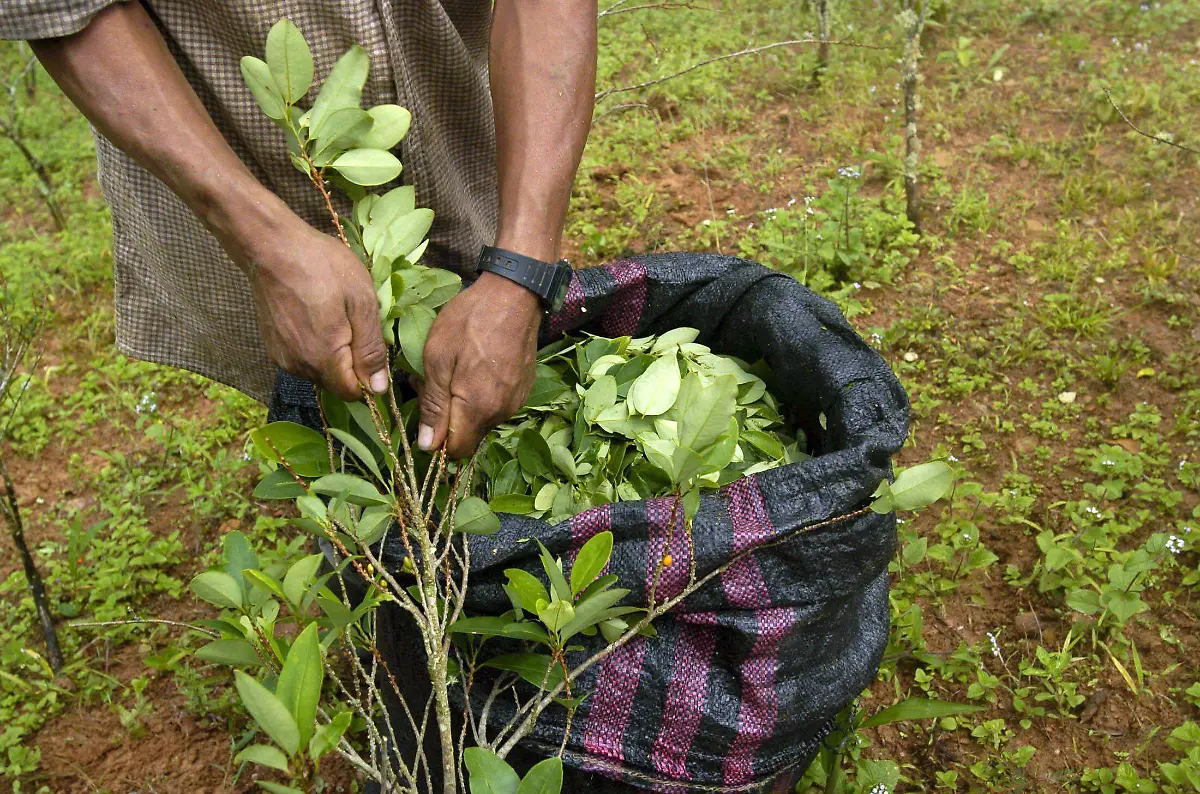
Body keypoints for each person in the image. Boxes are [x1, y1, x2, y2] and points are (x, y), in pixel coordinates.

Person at [3, 0, 595, 460]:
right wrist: (262, 243)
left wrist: (522, 266)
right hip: (232, 167)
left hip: (459, 136)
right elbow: (62, 11)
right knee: (339, 414)